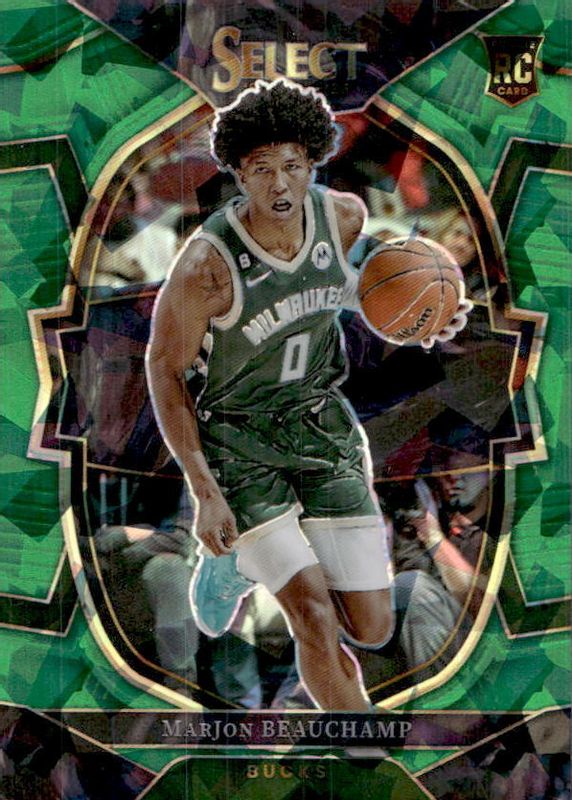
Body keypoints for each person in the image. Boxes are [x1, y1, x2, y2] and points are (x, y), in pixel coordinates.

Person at [145, 79, 470, 711]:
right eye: (262, 168)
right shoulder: (206, 267)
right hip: (239, 439)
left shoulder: (343, 216)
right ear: (239, 173)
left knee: (371, 628)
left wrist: (425, 316)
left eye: (293, 165)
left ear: (313, 163)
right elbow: (164, 371)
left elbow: (357, 287)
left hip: (321, 425)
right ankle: (361, 748)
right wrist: (205, 492)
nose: (280, 183)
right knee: (314, 617)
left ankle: (247, 563)